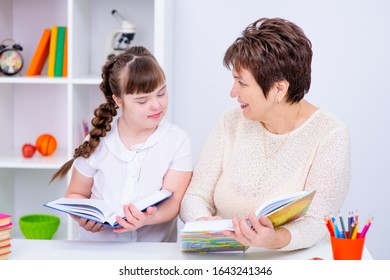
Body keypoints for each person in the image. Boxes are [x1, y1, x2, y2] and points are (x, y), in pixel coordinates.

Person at [180, 18, 351, 251]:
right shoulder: (231, 121)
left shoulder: (329, 134)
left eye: (242, 83)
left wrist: (274, 240)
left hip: (292, 263)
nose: (233, 92)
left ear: (279, 89)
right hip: (224, 257)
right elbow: (195, 196)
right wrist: (203, 224)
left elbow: (317, 220)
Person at [51, 46, 193, 242]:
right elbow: (75, 194)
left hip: (152, 256)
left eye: (161, 93)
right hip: (98, 253)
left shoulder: (177, 141)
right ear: (118, 100)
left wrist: (147, 218)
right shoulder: (98, 142)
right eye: (142, 100)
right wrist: (83, 217)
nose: (156, 105)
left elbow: (174, 201)